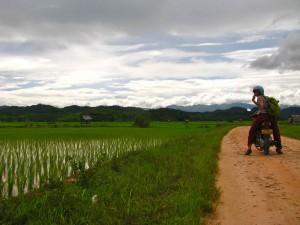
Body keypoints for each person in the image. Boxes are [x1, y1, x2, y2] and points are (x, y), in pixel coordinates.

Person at [245, 86, 282, 155]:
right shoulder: (266, 97)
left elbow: (261, 107)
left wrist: (256, 101)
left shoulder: (260, 97)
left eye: (256, 91)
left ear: (260, 91)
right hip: (271, 117)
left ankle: (249, 148)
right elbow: (263, 106)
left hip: (263, 116)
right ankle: (279, 148)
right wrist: (254, 101)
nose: (254, 93)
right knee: (276, 131)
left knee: (252, 130)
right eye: (254, 91)